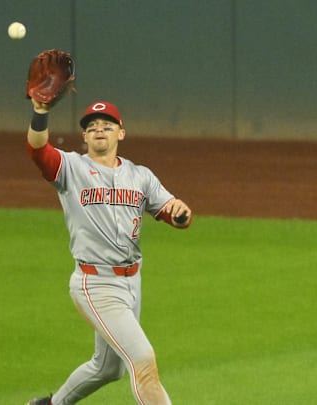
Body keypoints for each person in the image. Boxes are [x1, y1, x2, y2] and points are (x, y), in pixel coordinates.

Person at [25, 98, 192, 405]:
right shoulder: (71, 169)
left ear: (121, 133)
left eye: (107, 125)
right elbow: (37, 149)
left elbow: (171, 211)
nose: (99, 129)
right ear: (84, 138)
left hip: (132, 282)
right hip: (96, 283)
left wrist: (180, 213)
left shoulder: (140, 175)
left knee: (106, 368)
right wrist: (40, 113)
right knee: (142, 360)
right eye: (92, 127)